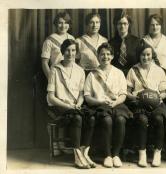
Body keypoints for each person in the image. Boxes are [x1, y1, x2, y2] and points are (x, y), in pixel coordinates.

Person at [47, 39, 96, 169]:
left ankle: (85, 153)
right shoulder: (55, 69)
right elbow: (51, 97)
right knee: (77, 117)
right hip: (59, 106)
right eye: (67, 50)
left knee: (91, 117)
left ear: (76, 52)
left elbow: (81, 94)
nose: (70, 53)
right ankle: (77, 156)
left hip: (75, 106)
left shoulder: (80, 70)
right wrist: (68, 106)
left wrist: (78, 103)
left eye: (73, 50)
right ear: (63, 52)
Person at [84, 42, 132, 168]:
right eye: (102, 54)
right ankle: (107, 155)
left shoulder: (119, 73)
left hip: (117, 104)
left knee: (121, 119)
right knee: (107, 120)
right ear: (97, 56)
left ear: (112, 56)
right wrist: (100, 101)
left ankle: (116, 155)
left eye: (108, 54)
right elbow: (87, 97)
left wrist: (115, 102)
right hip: (99, 105)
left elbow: (123, 94)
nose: (105, 57)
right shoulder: (91, 74)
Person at [126, 41, 166, 167]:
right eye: (143, 55)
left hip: (156, 103)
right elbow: (127, 91)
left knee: (159, 119)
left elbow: (164, 92)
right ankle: (142, 153)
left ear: (152, 55)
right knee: (142, 120)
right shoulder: (133, 70)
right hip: (139, 104)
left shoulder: (159, 70)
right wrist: (135, 97)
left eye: (148, 55)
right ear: (139, 56)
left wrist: (159, 97)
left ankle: (157, 152)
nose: (146, 57)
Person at [41, 11, 75, 79]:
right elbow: (44, 63)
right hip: (56, 75)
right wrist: (51, 79)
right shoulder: (49, 40)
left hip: (71, 76)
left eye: (66, 23)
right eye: (60, 23)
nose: (63, 26)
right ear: (56, 24)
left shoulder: (72, 38)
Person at [109, 11, 141, 75]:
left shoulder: (137, 41)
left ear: (128, 25)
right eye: (119, 23)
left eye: (125, 23)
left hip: (133, 75)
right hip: (116, 76)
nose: (122, 26)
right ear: (116, 25)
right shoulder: (110, 43)